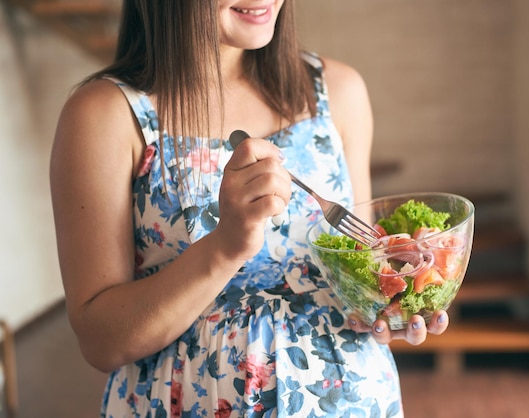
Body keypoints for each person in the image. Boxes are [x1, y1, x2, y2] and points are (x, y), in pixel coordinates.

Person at [50, 1, 449, 416]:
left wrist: (391, 305)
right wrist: (226, 246)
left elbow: (359, 270)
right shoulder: (105, 115)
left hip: (351, 400)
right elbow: (101, 343)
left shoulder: (338, 91)